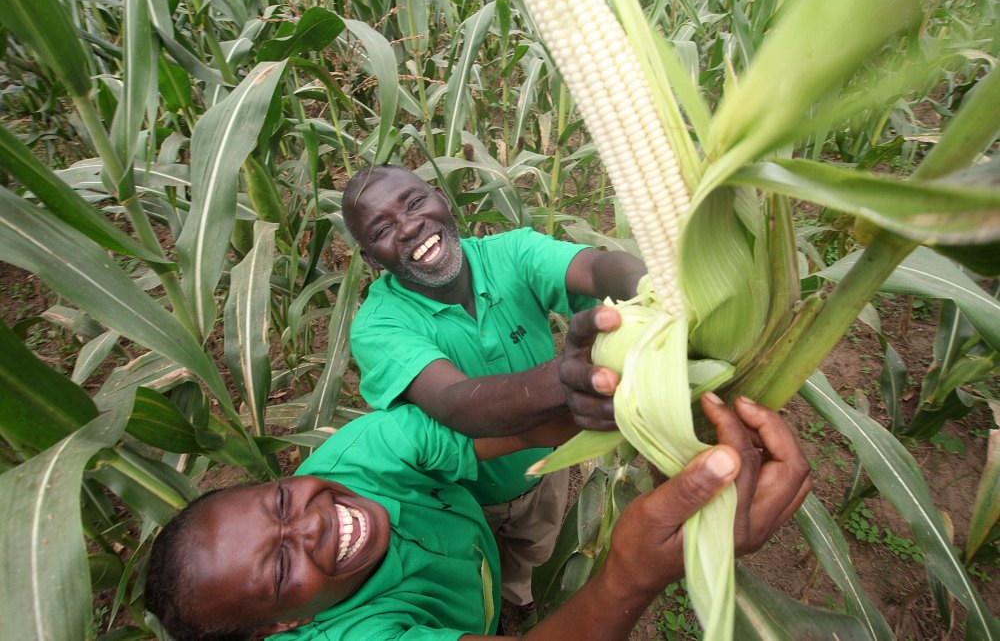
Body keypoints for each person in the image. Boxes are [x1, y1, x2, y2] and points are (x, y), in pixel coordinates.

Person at [143, 381, 811, 641]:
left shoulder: (354, 456)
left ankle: (509, 602)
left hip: (477, 545)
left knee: (515, 575)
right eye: (281, 564)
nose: (311, 521)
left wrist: (648, 403)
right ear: (286, 623)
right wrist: (631, 573)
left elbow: (519, 431)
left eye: (281, 502)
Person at [342, 164, 646, 610]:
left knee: (531, 553)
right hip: (458, 494)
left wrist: (648, 288)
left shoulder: (512, 253)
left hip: (543, 470)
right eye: (383, 228)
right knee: (470, 577)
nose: (409, 227)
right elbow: (454, 403)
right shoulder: (378, 325)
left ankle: (519, 602)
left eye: (414, 203)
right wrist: (563, 379)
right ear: (372, 259)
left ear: (443, 199)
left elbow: (599, 269)